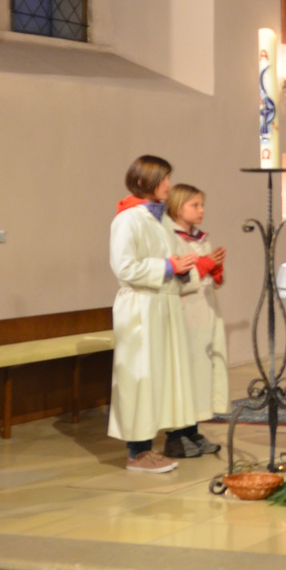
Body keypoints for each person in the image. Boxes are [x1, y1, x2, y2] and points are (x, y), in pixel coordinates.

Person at [109, 155, 201, 473]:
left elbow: (169, 259)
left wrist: (182, 267)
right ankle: (137, 453)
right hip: (140, 307)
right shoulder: (127, 219)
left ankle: (153, 445)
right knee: (141, 377)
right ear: (142, 181)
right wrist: (168, 266)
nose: (169, 185)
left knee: (160, 377)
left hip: (161, 304)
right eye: (164, 178)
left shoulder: (159, 219)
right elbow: (124, 267)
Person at [166, 183, 227, 458]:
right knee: (183, 372)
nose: (201, 210)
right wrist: (203, 266)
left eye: (202, 205)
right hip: (183, 313)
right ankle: (175, 436)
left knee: (201, 372)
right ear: (178, 207)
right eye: (195, 205)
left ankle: (192, 430)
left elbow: (210, 278)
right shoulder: (169, 238)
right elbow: (174, 280)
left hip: (205, 311)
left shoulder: (201, 238)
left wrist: (216, 270)